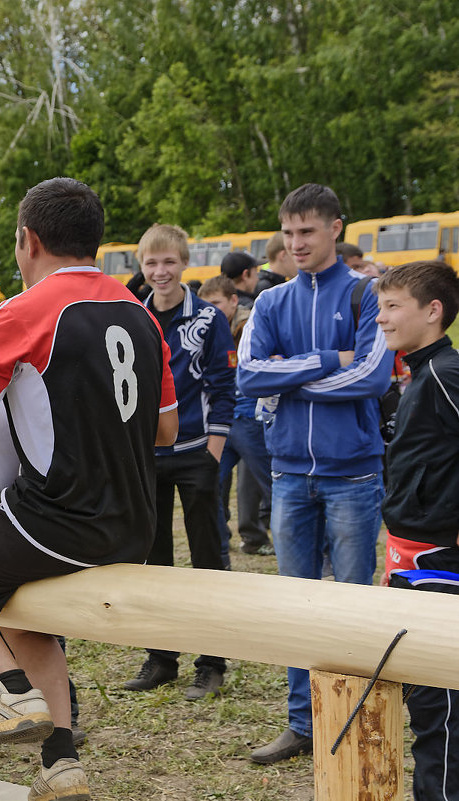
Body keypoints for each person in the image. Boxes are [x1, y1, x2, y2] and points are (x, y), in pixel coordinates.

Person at [0, 177, 178, 800]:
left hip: (57, 521)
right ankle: (61, 760)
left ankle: (9, 691)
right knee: (22, 615)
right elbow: (166, 430)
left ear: (28, 240)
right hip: (136, 524)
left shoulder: (20, 312)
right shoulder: (140, 313)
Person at [238, 183, 395, 765]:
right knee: (294, 605)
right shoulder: (271, 303)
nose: (297, 242)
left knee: (354, 604)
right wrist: (331, 360)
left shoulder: (367, 296)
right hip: (287, 477)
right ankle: (302, 722)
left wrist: (289, 375)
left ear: (336, 228)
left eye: (308, 231)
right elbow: (249, 376)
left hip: (353, 476)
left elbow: (374, 377)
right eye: (289, 232)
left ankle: (353, 720)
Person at [124, 224, 234, 700]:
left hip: (194, 454)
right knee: (154, 558)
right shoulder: (132, 317)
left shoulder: (209, 318)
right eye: (151, 263)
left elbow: (223, 387)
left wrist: (214, 449)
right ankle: (161, 657)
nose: (160, 271)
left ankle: (211, 661)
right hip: (147, 455)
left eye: (168, 262)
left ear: (184, 262)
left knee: (208, 558)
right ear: (142, 267)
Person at [375, 260, 459, 801]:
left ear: (433, 311)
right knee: (429, 713)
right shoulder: (418, 372)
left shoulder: (446, 374)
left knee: (443, 720)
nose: (380, 319)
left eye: (392, 306)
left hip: (442, 570)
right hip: (412, 563)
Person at [198, 276, 274, 558]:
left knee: (272, 485)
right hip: (222, 417)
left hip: (248, 416)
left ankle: (294, 542)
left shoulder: (249, 325)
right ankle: (223, 543)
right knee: (211, 483)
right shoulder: (211, 326)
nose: (211, 310)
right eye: (206, 305)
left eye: (216, 303)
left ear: (233, 300)